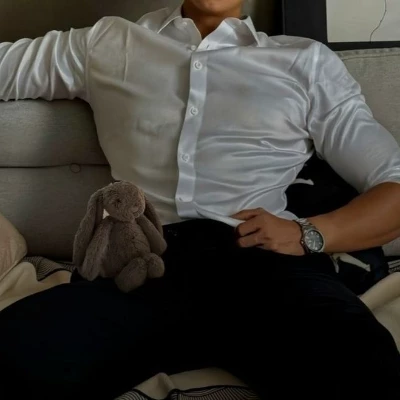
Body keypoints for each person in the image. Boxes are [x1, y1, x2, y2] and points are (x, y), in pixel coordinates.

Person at [1, 0, 400, 399]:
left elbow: (394, 183)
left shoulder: (305, 61)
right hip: (143, 268)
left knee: (366, 368)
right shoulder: (107, 41)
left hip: (265, 265)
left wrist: (308, 233)